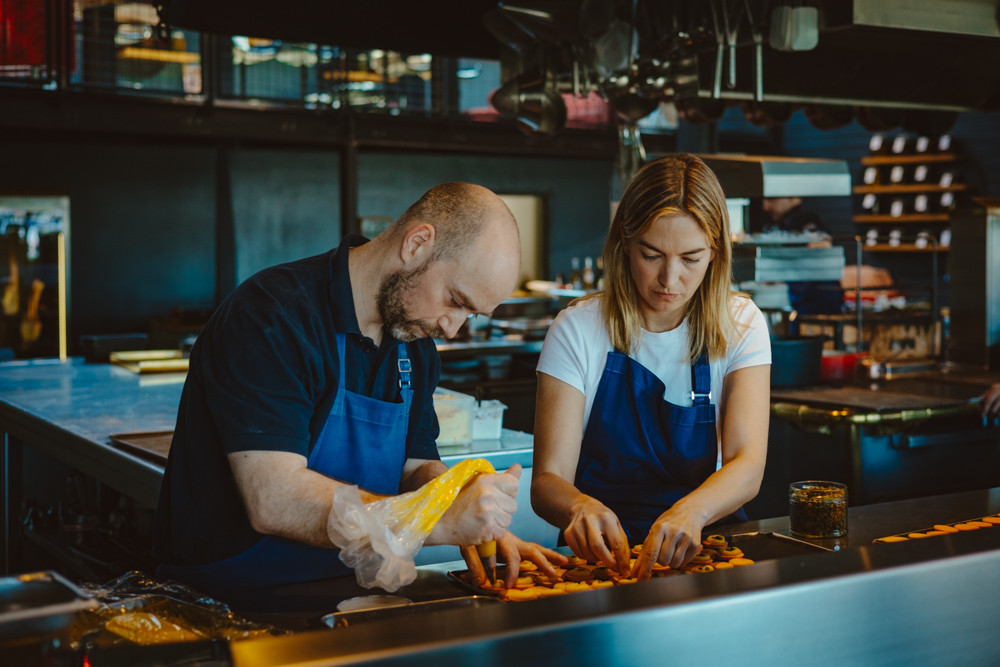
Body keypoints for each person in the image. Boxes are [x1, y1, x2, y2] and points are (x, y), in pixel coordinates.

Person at [153, 182, 564, 600]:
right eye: (456, 301)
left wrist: (467, 507)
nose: (452, 328)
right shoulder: (272, 316)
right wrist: (437, 521)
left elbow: (415, 468)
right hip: (229, 600)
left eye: (470, 314)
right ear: (416, 245)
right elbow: (272, 499)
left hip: (351, 593)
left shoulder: (414, 346)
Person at [531, 154, 771, 580]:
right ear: (625, 241)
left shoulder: (741, 324)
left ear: (715, 252)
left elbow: (747, 465)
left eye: (691, 259)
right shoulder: (577, 329)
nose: (669, 279)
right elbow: (548, 479)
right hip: (602, 557)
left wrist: (693, 511)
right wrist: (578, 507)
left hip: (706, 548)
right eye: (652, 254)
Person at [762, 196, 841, 315]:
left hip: (816, 304)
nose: (766, 207)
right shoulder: (788, 222)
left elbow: (822, 247)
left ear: (791, 197)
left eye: (772, 199)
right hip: (805, 301)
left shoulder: (803, 218)